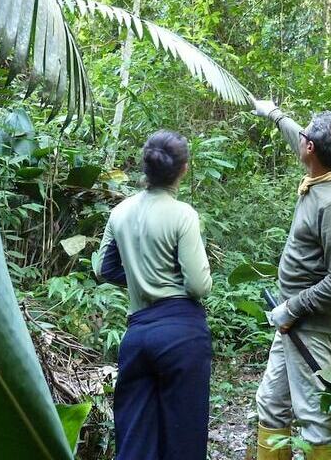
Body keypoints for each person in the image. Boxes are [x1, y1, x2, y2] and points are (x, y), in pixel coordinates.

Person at [250, 99, 331, 460]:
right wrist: (272, 112)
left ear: (310, 148)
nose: (299, 138)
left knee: (316, 418)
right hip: (291, 323)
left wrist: (292, 309)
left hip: (308, 326)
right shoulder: (327, 172)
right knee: (270, 403)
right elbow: (296, 133)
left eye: (305, 136)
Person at [93, 130, 213, 460]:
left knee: (134, 438)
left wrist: (137, 277)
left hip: (138, 333)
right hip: (181, 333)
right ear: (183, 169)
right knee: (183, 439)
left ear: (146, 165)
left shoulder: (120, 212)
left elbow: (103, 268)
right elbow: (199, 285)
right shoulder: (183, 214)